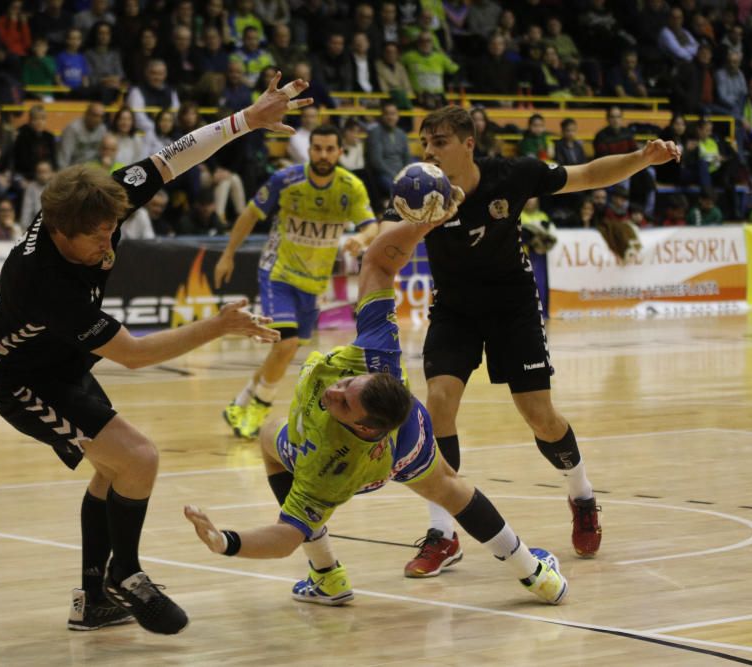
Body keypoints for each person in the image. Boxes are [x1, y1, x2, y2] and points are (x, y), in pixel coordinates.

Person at [0, 72, 309, 635]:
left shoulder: (93, 200)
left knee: (114, 471)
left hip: (64, 366)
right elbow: (131, 354)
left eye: (114, 232)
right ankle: (124, 574)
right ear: (59, 232)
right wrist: (219, 324)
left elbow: (168, 159)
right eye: (96, 240)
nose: (108, 248)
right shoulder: (40, 279)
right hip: (22, 381)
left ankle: (92, 601)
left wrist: (245, 121)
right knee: (139, 457)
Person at [183, 217, 569, 608]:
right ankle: (534, 574)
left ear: (363, 428)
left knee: (270, 438)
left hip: (375, 459)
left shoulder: (332, 468)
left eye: (344, 403)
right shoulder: (377, 354)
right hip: (409, 429)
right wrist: (425, 222)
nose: (335, 391)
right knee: (450, 487)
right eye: (348, 384)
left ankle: (326, 576)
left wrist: (227, 542)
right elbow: (379, 264)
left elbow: (286, 537)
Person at [392, 106, 679, 577]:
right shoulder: (420, 188)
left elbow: (587, 174)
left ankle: (582, 495)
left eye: (439, 142)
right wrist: (389, 232)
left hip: (513, 307)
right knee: (438, 403)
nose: (429, 152)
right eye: (425, 144)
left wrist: (640, 159)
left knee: (541, 418)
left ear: (468, 143)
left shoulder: (513, 174)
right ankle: (443, 534)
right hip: (455, 310)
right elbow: (386, 235)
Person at [215, 125, 376, 441]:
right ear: (309, 149)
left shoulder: (351, 187)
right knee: (285, 344)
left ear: (339, 152)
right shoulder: (285, 180)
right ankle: (259, 408)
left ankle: (240, 402)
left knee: (284, 351)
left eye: (330, 149)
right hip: (278, 272)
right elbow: (249, 215)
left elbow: (372, 225)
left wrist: (361, 237)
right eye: (317, 148)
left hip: (314, 282)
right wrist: (229, 254)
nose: (323, 155)